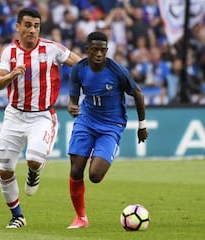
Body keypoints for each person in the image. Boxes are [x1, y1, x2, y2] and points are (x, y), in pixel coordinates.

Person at [0, 8, 81, 229]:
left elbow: (81, 65)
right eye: (28, 25)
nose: (32, 30)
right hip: (14, 115)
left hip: (42, 115)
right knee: (4, 169)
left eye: (36, 26)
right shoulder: (8, 52)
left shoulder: (51, 49)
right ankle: (17, 216)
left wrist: (79, 94)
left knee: (33, 159)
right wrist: (11, 75)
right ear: (18, 26)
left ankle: (34, 172)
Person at [66, 31, 149, 229]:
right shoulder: (78, 69)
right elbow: (73, 101)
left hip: (111, 125)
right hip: (86, 121)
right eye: (95, 50)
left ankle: (105, 151)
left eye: (103, 50)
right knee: (76, 169)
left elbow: (138, 93)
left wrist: (142, 125)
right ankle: (81, 218)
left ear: (107, 51)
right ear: (87, 50)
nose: (99, 54)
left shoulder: (117, 71)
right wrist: (71, 107)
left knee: (94, 176)